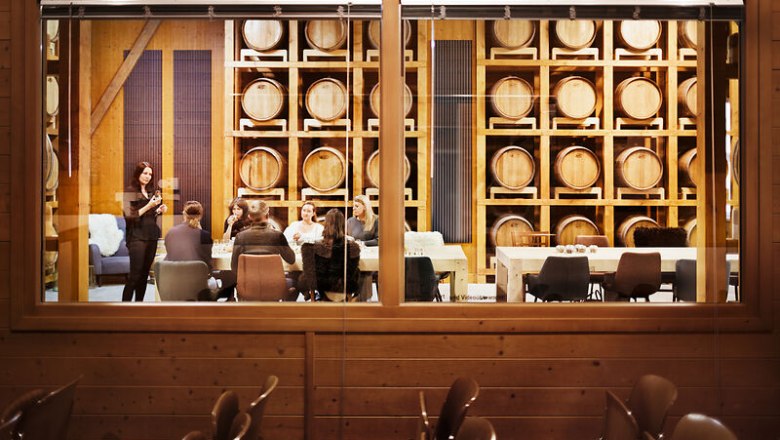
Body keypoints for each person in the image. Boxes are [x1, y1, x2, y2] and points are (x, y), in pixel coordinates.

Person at [231, 200, 297, 300]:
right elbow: (291, 259)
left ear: (249, 216)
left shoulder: (241, 236)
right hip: (274, 286)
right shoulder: (277, 235)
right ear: (267, 215)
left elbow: (234, 267)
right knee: (295, 282)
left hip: (249, 286)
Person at [122, 161, 167, 302]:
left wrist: (158, 210)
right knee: (135, 275)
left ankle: (139, 305)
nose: (147, 176)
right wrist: (149, 206)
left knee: (144, 274)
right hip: (136, 237)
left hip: (151, 235)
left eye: (150, 174)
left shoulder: (149, 192)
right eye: (145, 173)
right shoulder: (129, 191)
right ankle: (124, 307)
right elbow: (130, 217)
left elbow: (148, 216)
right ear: (138, 173)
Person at [299, 209, 361, 301]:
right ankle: (351, 298)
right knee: (359, 272)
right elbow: (351, 271)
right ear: (343, 225)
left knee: (303, 276)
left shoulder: (312, 247)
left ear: (326, 224)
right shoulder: (353, 247)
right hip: (343, 283)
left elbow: (309, 273)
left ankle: (315, 296)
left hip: (321, 284)